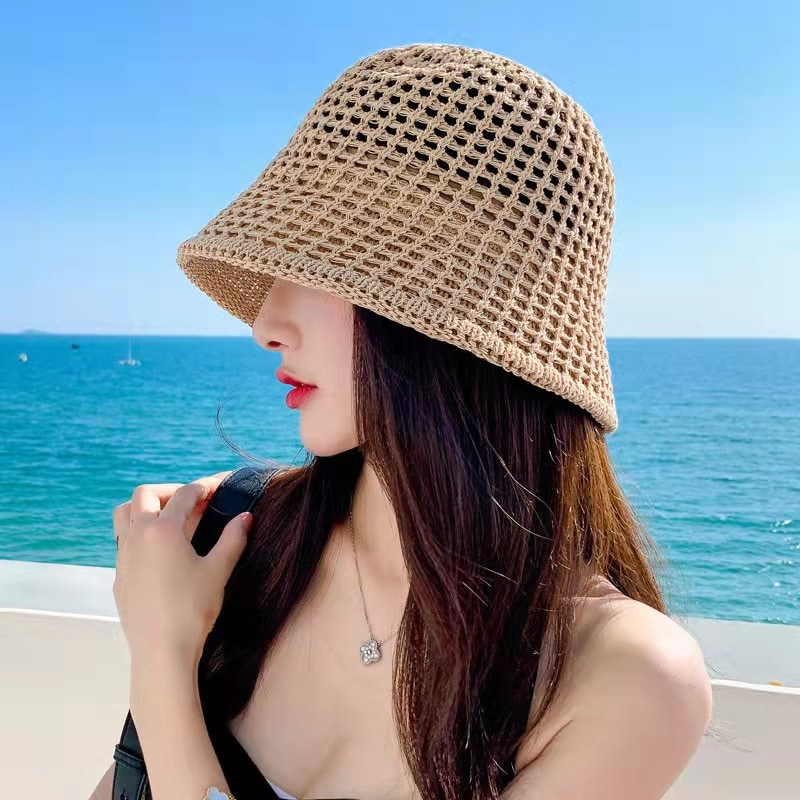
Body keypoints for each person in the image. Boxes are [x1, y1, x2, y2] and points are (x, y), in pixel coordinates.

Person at [93, 43, 713, 800]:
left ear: (457, 311)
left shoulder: (620, 679)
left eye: (319, 266)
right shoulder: (228, 538)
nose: (265, 324)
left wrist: (161, 659)